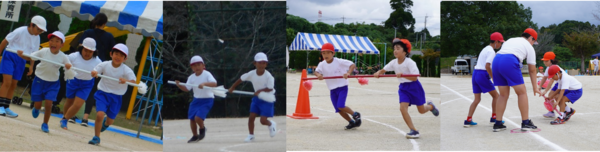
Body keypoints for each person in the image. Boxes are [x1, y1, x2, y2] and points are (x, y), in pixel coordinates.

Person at [373, 38, 439, 139]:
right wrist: (378, 73)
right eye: (394, 48)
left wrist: (403, 75)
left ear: (405, 51)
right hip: (403, 88)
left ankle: (431, 106)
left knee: (421, 110)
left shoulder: (410, 62)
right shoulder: (393, 62)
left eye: (398, 48)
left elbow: (415, 77)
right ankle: (413, 130)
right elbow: (384, 69)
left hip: (414, 87)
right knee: (402, 108)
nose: (395, 50)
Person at [19, 31, 71, 133]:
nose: (53, 43)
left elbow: (68, 65)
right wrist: (22, 55)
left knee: (48, 104)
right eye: (51, 40)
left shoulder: (63, 56)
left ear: (62, 45)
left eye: (57, 41)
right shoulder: (43, 51)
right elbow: (30, 57)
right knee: (37, 104)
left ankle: (45, 124)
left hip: (53, 83)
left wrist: (68, 66)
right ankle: (37, 108)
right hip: (39, 80)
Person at [491, 28, 541, 132]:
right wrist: (535, 87)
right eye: (533, 41)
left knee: (503, 95)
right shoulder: (528, 46)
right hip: (509, 61)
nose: (533, 44)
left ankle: (498, 123)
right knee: (522, 93)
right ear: (531, 38)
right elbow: (532, 70)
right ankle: (526, 122)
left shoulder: (510, 40)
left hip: (496, 61)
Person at [88, 44, 136, 145]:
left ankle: (106, 124)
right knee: (100, 114)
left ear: (125, 58)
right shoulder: (105, 64)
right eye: (116, 54)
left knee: (110, 121)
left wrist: (126, 80)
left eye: (121, 56)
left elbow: (134, 82)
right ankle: (96, 137)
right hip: (102, 94)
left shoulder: (126, 69)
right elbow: (95, 70)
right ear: (111, 54)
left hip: (116, 97)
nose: (118, 57)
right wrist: (94, 73)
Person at [0, 15, 46, 117]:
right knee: (7, 82)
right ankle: (0, 106)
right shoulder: (20, 31)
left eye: (41, 31)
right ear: (31, 25)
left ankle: (6, 107)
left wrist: (31, 66)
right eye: (38, 29)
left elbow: (33, 54)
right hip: (10, 55)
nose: (39, 32)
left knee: (14, 84)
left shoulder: (37, 37)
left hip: (22, 59)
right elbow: (5, 41)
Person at [229, 52, 278, 142]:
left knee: (263, 121)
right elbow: (241, 79)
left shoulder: (269, 76)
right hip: (257, 99)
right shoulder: (251, 74)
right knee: (251, 117)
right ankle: (251, 135)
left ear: (266, 64)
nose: (261, 65)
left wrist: (259, 91)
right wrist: (232, 87)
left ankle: (271, 124)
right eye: (259, 63)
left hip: (267, 98)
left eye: (264, 63)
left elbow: (270, 88)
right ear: (254, 63)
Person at [77, 13, 116, 126]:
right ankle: (85, 117)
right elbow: (112, 52)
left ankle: (74, 115)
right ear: (104, 24)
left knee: (80, 89)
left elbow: (80, 46)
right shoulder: (109, 36)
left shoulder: (88, 32)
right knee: (92, 91)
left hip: (85, 64)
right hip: (100, 66)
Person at [314, 43, 362, 130]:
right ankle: (351, 122)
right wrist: (318, 75)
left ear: (333, 53)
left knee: (340, 105)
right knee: (338, 109)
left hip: (342, 86)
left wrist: (348, 73)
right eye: (323, 53)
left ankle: (355, 114)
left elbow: (352, 65)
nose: (326, 55)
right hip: (332, 89)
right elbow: (316, 71)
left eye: (328, 53)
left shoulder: (339, 61)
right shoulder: (322, 64)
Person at [60, 38, 102, 130]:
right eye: (85, 50)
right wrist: (66, 64)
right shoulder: (74, 56)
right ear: (81, 48)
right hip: (73, 80)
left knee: (78, 104)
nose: (87, 53)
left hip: (87, 84)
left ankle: (64, 119)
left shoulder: (98, 61)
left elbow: (101, 69)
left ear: (94, 52)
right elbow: (64, 59)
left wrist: (97, 72)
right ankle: (65, 117)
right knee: (69, 101)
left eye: (90, 51)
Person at [174, 55, 217, 143]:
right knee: (192, 118)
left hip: (207, 100)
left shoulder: (207, 74)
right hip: (196, 100)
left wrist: (204, 84)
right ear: (191, 67)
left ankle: (202, 128)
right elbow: (187, 89)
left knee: (198, 118)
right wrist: (179, 85)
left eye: (198, 64)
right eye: (194, 65)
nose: (197, 67)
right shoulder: (191, 77)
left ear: (203, 66)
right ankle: (195, 135)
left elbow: (214, 83)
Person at [464, 32, 503, 127]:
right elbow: (487, 66)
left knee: (477, 99)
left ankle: (468, 120)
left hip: (475, 73)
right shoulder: (492, 51)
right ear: (496, 41)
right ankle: (494, 117)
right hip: (482, 74)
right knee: (496, 96)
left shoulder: (485, 48)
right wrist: (494, 77)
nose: (501, 44)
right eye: (500, 42)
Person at [538, 52, 566, 118]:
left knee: (556, 97)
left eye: (547, 61)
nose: (545, 62)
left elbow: (551, 80)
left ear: (552, 60)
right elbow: (545, 78)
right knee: (550, 96)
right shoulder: (548, 67)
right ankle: (552, 112)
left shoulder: (554, 67)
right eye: (544, 61)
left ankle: (565, 111)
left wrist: (545, 91)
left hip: (563, 83)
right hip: (558, 83)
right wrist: (539, 86)